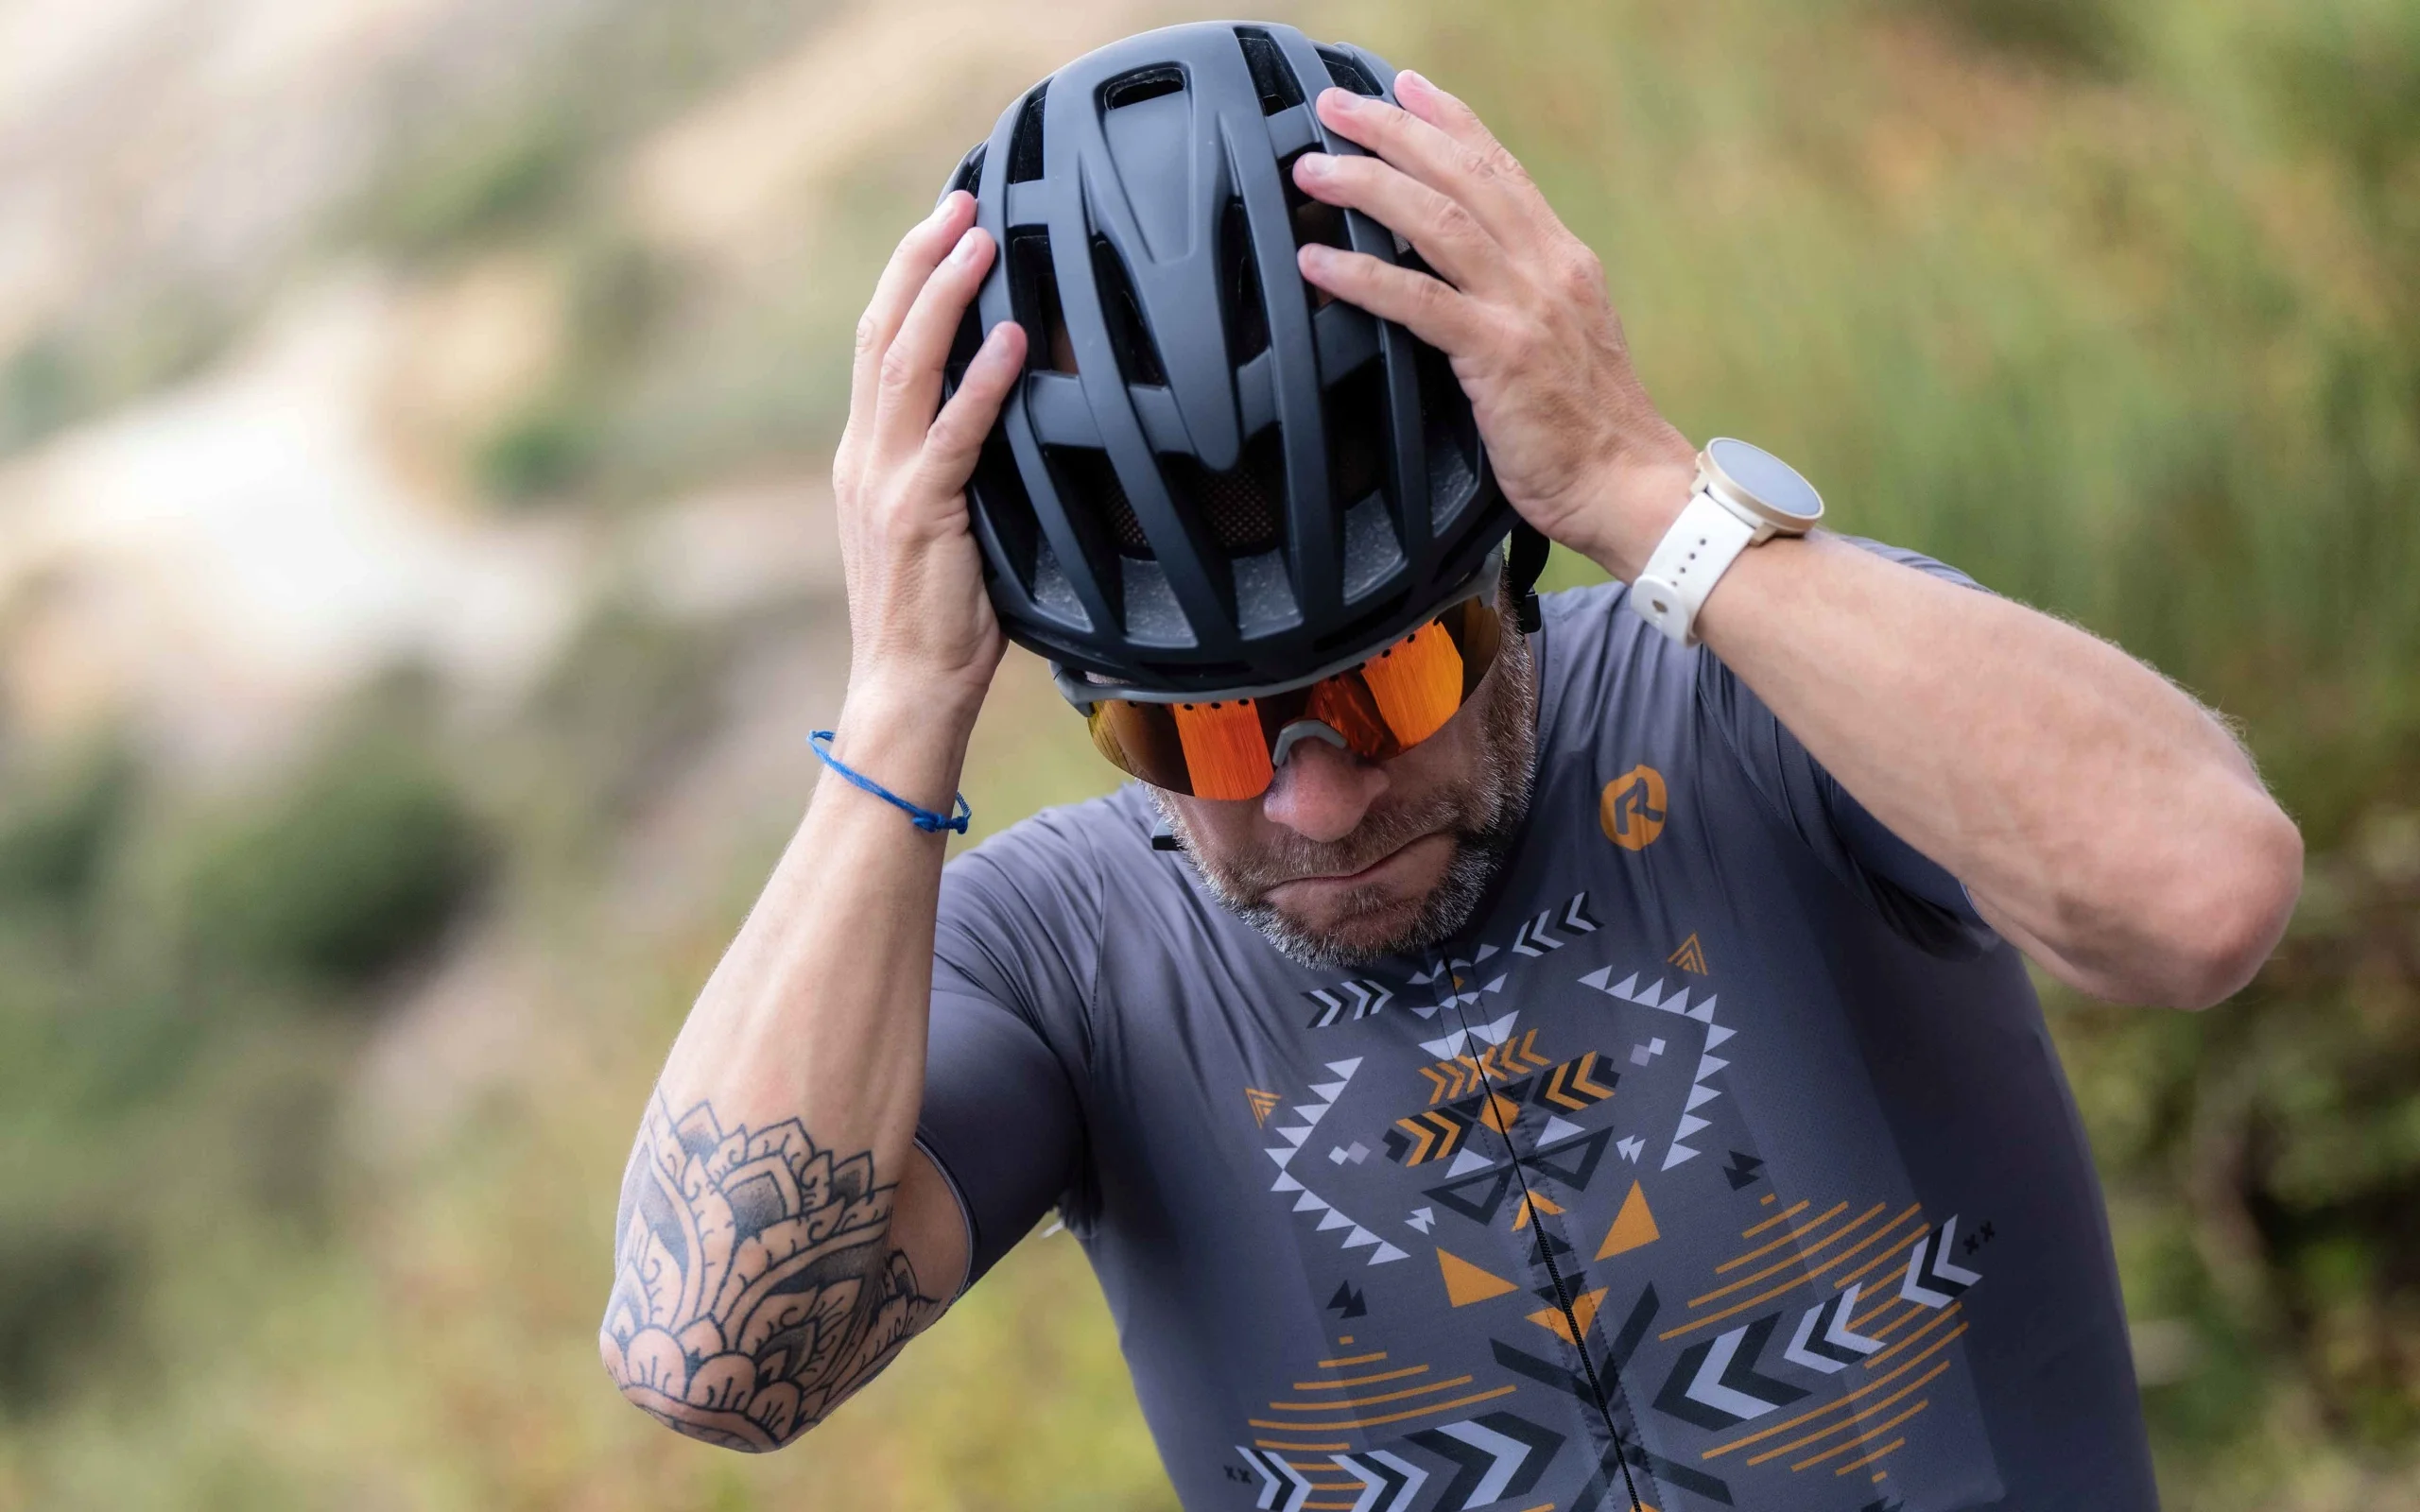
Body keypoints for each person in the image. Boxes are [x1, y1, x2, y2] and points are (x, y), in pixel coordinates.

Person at [597, 23, 2301, 1511]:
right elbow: (711, 1358)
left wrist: (1642, 481)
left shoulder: (1758, 699)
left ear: (1506, 578)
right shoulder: (1060, 962)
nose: (1314, 800)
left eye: (1396, 682)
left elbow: (2200, 894)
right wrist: (899, 697)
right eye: (1196, 733)